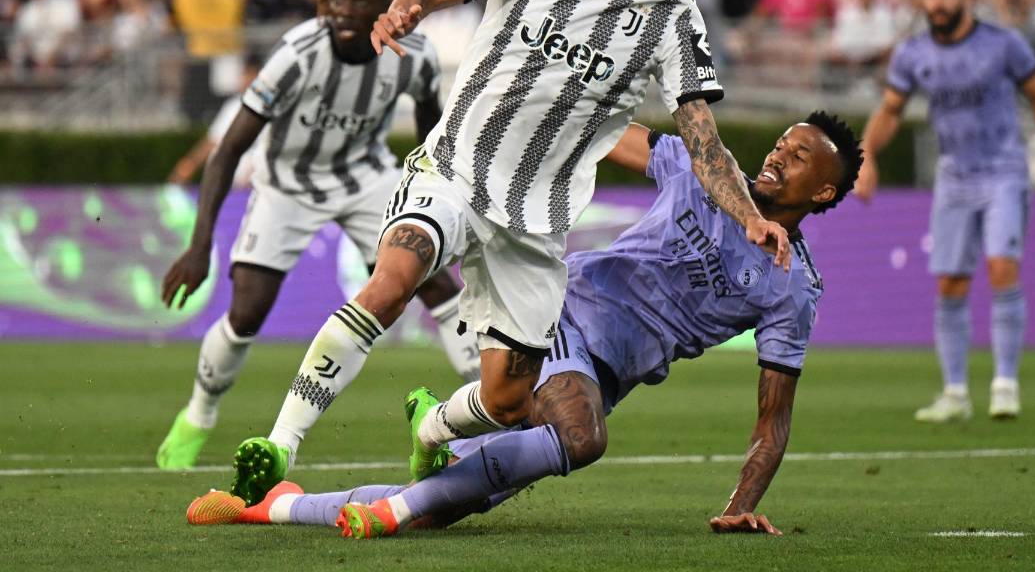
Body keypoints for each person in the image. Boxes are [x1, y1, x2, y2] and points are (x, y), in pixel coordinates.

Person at [226, 0, 793, 507]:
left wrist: (750, 216)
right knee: (393, 279)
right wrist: (409, 5)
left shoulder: (674, 18)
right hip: (457, 170)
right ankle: (279, 445)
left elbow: (703, 138)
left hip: (535, 221)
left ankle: (432, 425)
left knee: (508, 399)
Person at [186, 112, 862, 537]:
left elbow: (773, 419)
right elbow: (603, 132)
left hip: (604, 375)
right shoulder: (699, 174)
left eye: (799, 157)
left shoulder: (792, 288)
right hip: (561, 312)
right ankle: (425, 449)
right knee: (581, 438)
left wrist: (743, 502)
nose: (777, 156)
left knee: (448, 506)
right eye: (782, 142)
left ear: (824, 192)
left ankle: (273, 507)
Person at [155, 0, 479, 470]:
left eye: (361, 2)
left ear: (386, 8)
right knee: (246, 313)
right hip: (287, 185)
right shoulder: (297, 54)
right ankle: (199, 414)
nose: (346, 12)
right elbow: (229, 149)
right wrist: (199, 247)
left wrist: (442, 196)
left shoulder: (412, 53)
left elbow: (430, 129)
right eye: (337, 1)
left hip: (364, 178)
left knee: (433, 279)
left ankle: (489, 403)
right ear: (322, 5)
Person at [854, 0, 1035, 422]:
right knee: (951, 281)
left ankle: (1005, 384)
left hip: (1004, 171)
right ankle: (955, 393)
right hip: (953, 177)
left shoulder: (1002, 45)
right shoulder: (912, 54)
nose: (938, 2)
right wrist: (867, 155)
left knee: (1001, 268)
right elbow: (891, 110)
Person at [168, 54, 264, 188]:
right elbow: (213, 141)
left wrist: (253, 174)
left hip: (255, 188)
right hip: (229, 187)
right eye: (245, 74)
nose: (247, 80)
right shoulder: (232, 106)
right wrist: (189, 165)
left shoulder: (270, 111)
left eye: (253, 75)